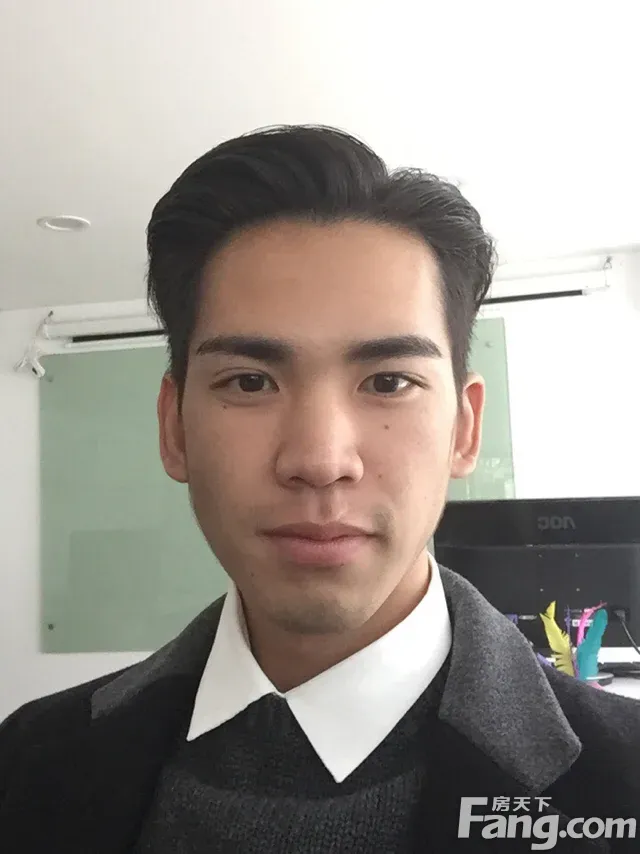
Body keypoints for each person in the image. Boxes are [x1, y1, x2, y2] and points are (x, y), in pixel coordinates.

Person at [1, 125, 639, 854]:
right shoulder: (28, 763)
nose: (319, 460)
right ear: (174, 429)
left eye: (388, 381)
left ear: (465, 430)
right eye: (250, 382)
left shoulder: (624, 780)